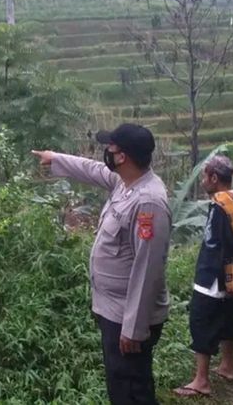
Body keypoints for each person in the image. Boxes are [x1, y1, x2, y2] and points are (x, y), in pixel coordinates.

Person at [32, 123, 171, 405]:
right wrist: (56, 158)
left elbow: (148, 271)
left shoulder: (149, 202)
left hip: (127, 317)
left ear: (123, 157)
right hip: (113, 309)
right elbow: (92, 169)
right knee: (122, 383)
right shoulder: (126, 181)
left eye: (110, 148)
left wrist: (133, 329)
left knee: (131, 390)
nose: (106, 153)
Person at [174, 155, 233, 398]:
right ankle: (228, 367)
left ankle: (201, 380)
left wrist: (209, 278)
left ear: (214, 178)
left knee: (200, 321)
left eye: (204, 176)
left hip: (213, 278)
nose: (202, 181)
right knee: (226, 318)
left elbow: (215, 244)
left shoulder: (219, 206)